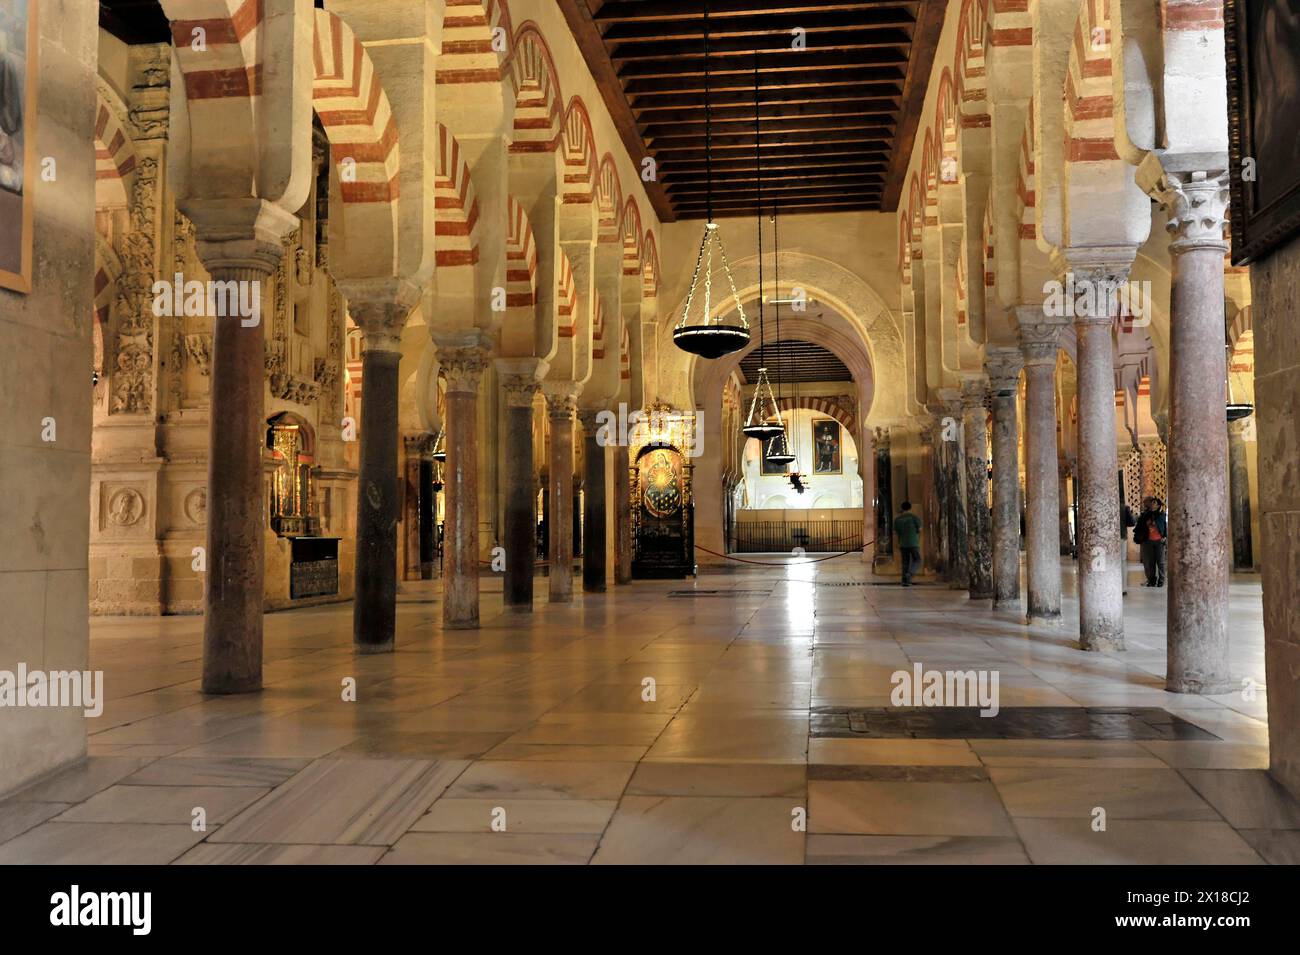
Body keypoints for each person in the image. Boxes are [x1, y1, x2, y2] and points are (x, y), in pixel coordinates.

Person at [1133, 496, 1168, 587]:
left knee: (1160, 562)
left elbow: (1165, 527)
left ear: (1158, 505)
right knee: (1149, 562)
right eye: (1152, 503)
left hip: (1159, 541)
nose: (1153, 505)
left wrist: (1165, 536)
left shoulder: (1162, 515)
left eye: (1155, 504)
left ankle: (1161, 580)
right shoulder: (1145, 515)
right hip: (1147, 541)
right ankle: (1151, 580)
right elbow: (1139, 527)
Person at [894, 500, 922, 586]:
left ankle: (904, 581)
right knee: (917, 560)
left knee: (905, 562)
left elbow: (896, 532)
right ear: (910, 508)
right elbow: (919, 529)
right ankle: (910, 574)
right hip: (913, 542)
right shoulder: (914, 517)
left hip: (903, 543)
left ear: (901, 508)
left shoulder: (897, 519)